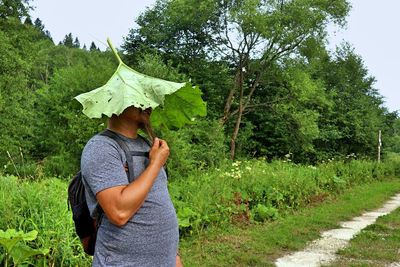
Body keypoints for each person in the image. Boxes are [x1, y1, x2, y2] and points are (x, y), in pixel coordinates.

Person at [80, 105, 183, 267]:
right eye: (139, 99)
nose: (148, 105)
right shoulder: (101, 148)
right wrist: (156, 164)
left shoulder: (147, 145)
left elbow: (157, 201)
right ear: (117, 100)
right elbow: (119, 212)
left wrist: (173, 257)